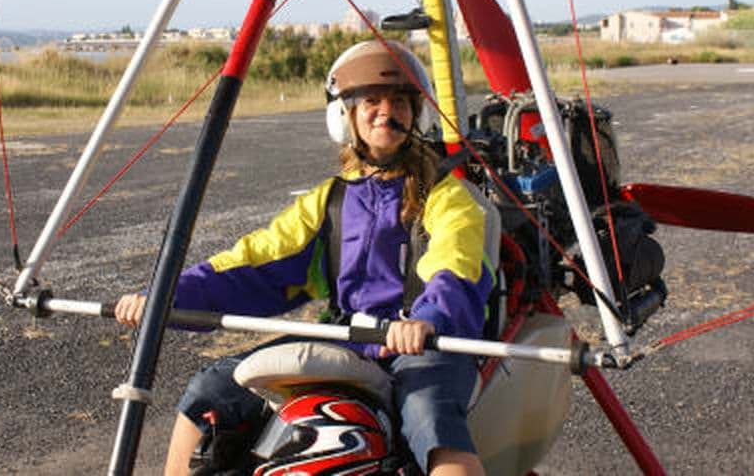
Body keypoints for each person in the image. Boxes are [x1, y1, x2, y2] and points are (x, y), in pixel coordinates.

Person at [116, 39, 496, 475]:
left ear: (417, 113)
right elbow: (255, 261)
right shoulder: (330, 199)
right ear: (345, 115)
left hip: (422, 342)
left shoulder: (447, 197)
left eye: (400, 102)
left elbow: (456, 263)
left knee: (430, 416)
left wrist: (428, 319)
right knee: (211, 389)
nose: (386, 112)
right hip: (350, 336)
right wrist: (165, 297)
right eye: (371, 101)